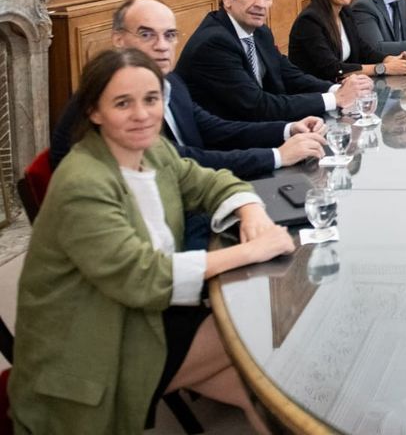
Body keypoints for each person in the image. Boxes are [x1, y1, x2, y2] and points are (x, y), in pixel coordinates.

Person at [9, 49, 296, 434]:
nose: (143, 114)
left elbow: (208, 181)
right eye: (123, 103)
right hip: (89, 344)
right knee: (261, 335)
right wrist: (251, 250)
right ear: (94, 112)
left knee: (264, 380)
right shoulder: (82, 182)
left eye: (151, 99)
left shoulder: (152, 149)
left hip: (141, 311)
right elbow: (141, 276)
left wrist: (252, 212)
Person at [49, 0, 327, 179]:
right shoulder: (107, 100)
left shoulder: (171, 82)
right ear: (118, 40)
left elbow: (214, 128)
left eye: (169, 35)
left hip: (191, 186)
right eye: (147, 35)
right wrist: (277, 155)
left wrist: (288, 128)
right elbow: (183, 160)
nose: (161, 45)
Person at [175, 0, 373, 121]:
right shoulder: (214, 42)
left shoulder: (260, 32)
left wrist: (337, 89)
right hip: (225, 143)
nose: (260, 4)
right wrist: (333, 99)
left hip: (257, 126)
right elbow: (257, 106)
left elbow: (289, 74)